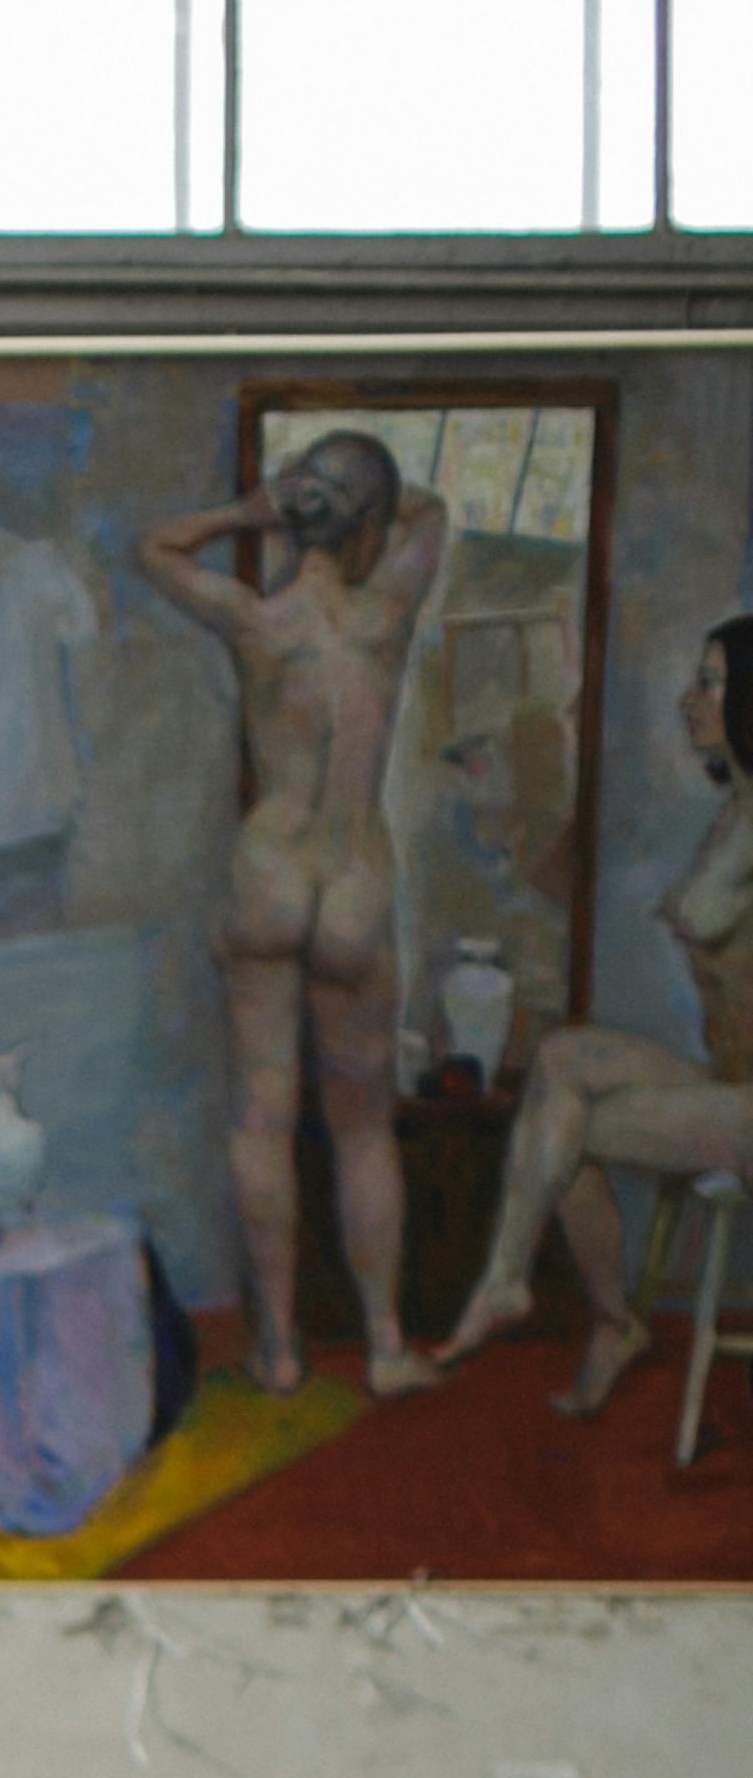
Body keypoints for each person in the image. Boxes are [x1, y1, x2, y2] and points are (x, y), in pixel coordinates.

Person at [140, 429, 450, 1403]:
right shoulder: (388, 613)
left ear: (299, 514)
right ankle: (387, 1344)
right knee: (364, 1131)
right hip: (354, 879)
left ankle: (278, 1351)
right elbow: (430, 511)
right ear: (366, 526)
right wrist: (352, 500)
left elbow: (154, 550)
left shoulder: (254, 621)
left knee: (262, 1123)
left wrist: (252, 511)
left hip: (270, 873)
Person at [437, 620, 753, 1412]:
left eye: (711, 682)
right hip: (732, 1080)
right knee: (561, 1060)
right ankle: (520, 1283)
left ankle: (595, 1315)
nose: (690, 700)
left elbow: (715, 916)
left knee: (562, 1129)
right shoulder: (737, 810)